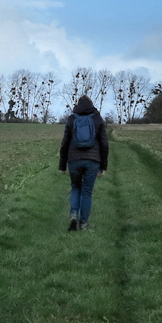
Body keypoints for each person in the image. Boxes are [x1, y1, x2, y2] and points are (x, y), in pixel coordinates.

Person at [58, 95, 109, 231]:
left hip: (74, 160)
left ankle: (74, 214)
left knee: (75, 187)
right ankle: (83, 224)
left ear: (78, 105)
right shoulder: (97, 119)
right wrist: (103, 166)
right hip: (92, 161)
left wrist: (62, 165)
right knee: (87, 192)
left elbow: (65, 143)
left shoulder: (72, 119)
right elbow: (104, 144)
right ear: (92, 105)